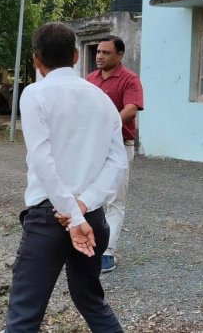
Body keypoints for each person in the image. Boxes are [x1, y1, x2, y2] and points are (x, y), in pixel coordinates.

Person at [5, 22, 127, 332]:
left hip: (49, 219)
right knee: (91, 301)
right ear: (75, 55)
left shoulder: (35, 95)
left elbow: (43, 162)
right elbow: (117, 163)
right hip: (91, 219)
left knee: (24, 314)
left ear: (35, 59)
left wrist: (73, 215)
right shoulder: (102, 100)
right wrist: (82, 207)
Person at [85, 35, 144, 273]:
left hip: (119, 146)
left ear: (119, 55)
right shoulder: (90, 80)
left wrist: (105, 128)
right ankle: (88, 246)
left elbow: (130, 110)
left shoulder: (130, 80)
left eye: (106, 52)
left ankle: (107, 253)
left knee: (114, 202)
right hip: (91, 148)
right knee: (88, 197)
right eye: (98, 52)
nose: (99, 56)